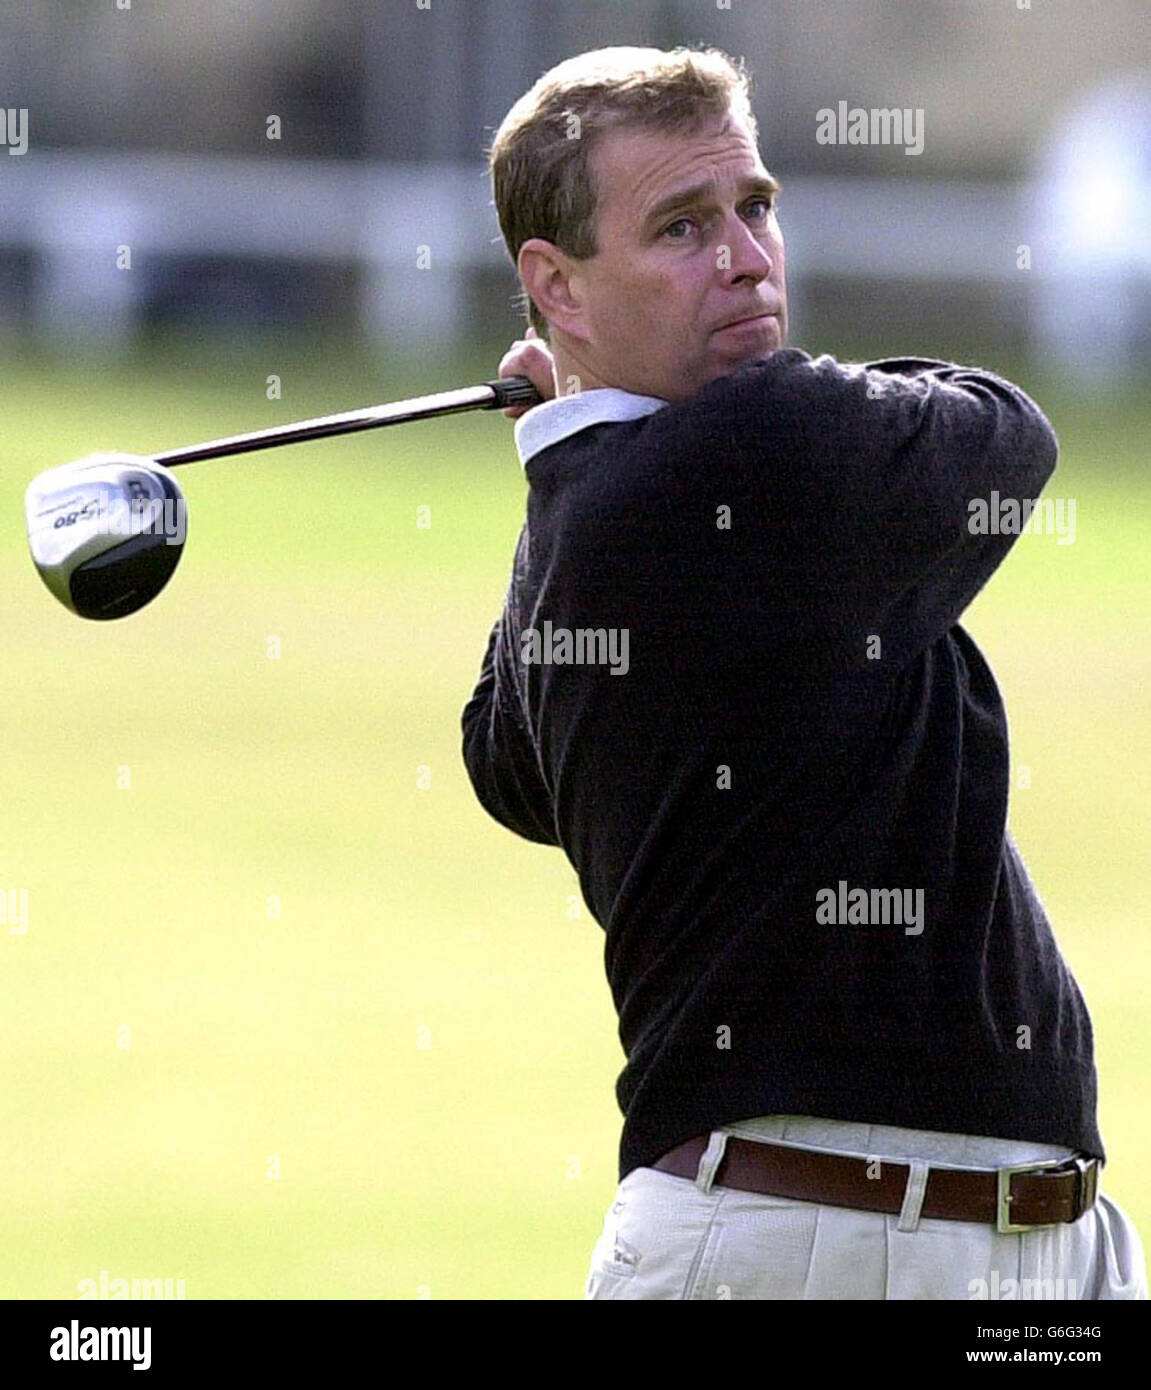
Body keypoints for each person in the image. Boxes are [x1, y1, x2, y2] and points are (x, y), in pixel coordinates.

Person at [461, 45, 1146, 1301]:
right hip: (814, 1241)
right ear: (553, 285)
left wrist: (563, 440)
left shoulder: (610, 508)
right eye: (680, 226)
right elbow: (1007, 434)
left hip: (1009, 1239)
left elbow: (503, 760)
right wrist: (583, 441)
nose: (744, 259)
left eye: (755, 207)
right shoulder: (764, 440)